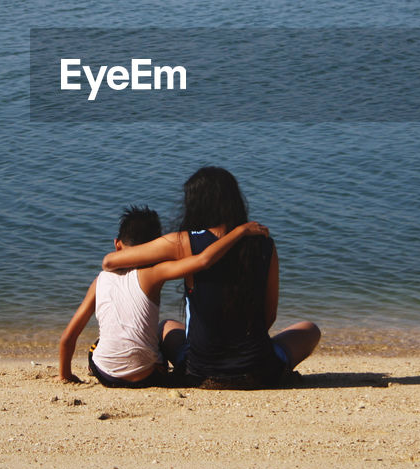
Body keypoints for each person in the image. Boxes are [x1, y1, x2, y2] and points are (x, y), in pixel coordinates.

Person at [101, 167, 320, 389]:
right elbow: (268, 316)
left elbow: (110, 262)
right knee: (310, 330)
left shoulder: (184, 242)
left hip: (200, 372)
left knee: (166, 326)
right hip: (259, 370)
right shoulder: (264, 244)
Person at [58, 205, 269, 387]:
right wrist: (239, 231)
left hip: (107, 376)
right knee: (164, 327)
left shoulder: (100, 281)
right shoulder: (154, 274)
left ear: (117, 245)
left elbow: (68, 338)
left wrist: (65, 376)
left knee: (97, 344)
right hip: (148, 376)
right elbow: (203, 260)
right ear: (155, 246)